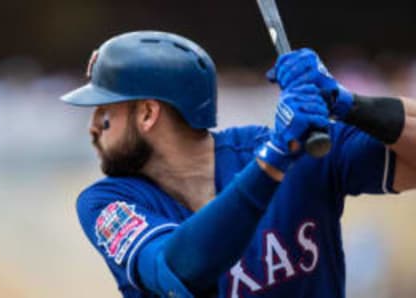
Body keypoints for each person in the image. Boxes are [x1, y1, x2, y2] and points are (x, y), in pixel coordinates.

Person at [60, 31, 416, 298]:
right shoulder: (106, 202)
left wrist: (346, 103)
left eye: (105, 113)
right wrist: (275, 160)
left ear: (148, 114)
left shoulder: (284, 149)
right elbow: (178, 269)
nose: (93, 127)